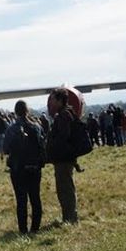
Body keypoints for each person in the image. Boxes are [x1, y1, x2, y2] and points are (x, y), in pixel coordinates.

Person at [3, 100, 45, 234]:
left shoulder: (11, 129)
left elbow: (6, 149)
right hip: (34, 167)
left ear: (15, 112)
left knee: (21, 200)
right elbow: (42, 145)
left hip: (18, 167)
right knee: (35, 198)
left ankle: (23, 229)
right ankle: (35, 228)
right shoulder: (37, 127)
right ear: (28, 111)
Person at [46, 88, 78, 224]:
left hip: (63, 159)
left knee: (65, 189)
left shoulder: (64, 116)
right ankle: (69, 217)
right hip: (64, 158)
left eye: (53, 99)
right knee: (65, 188)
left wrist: (52, 143)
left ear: (60, 100)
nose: (51, 102)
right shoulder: (66, 114)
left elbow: (63, 138)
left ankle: (70, 218)